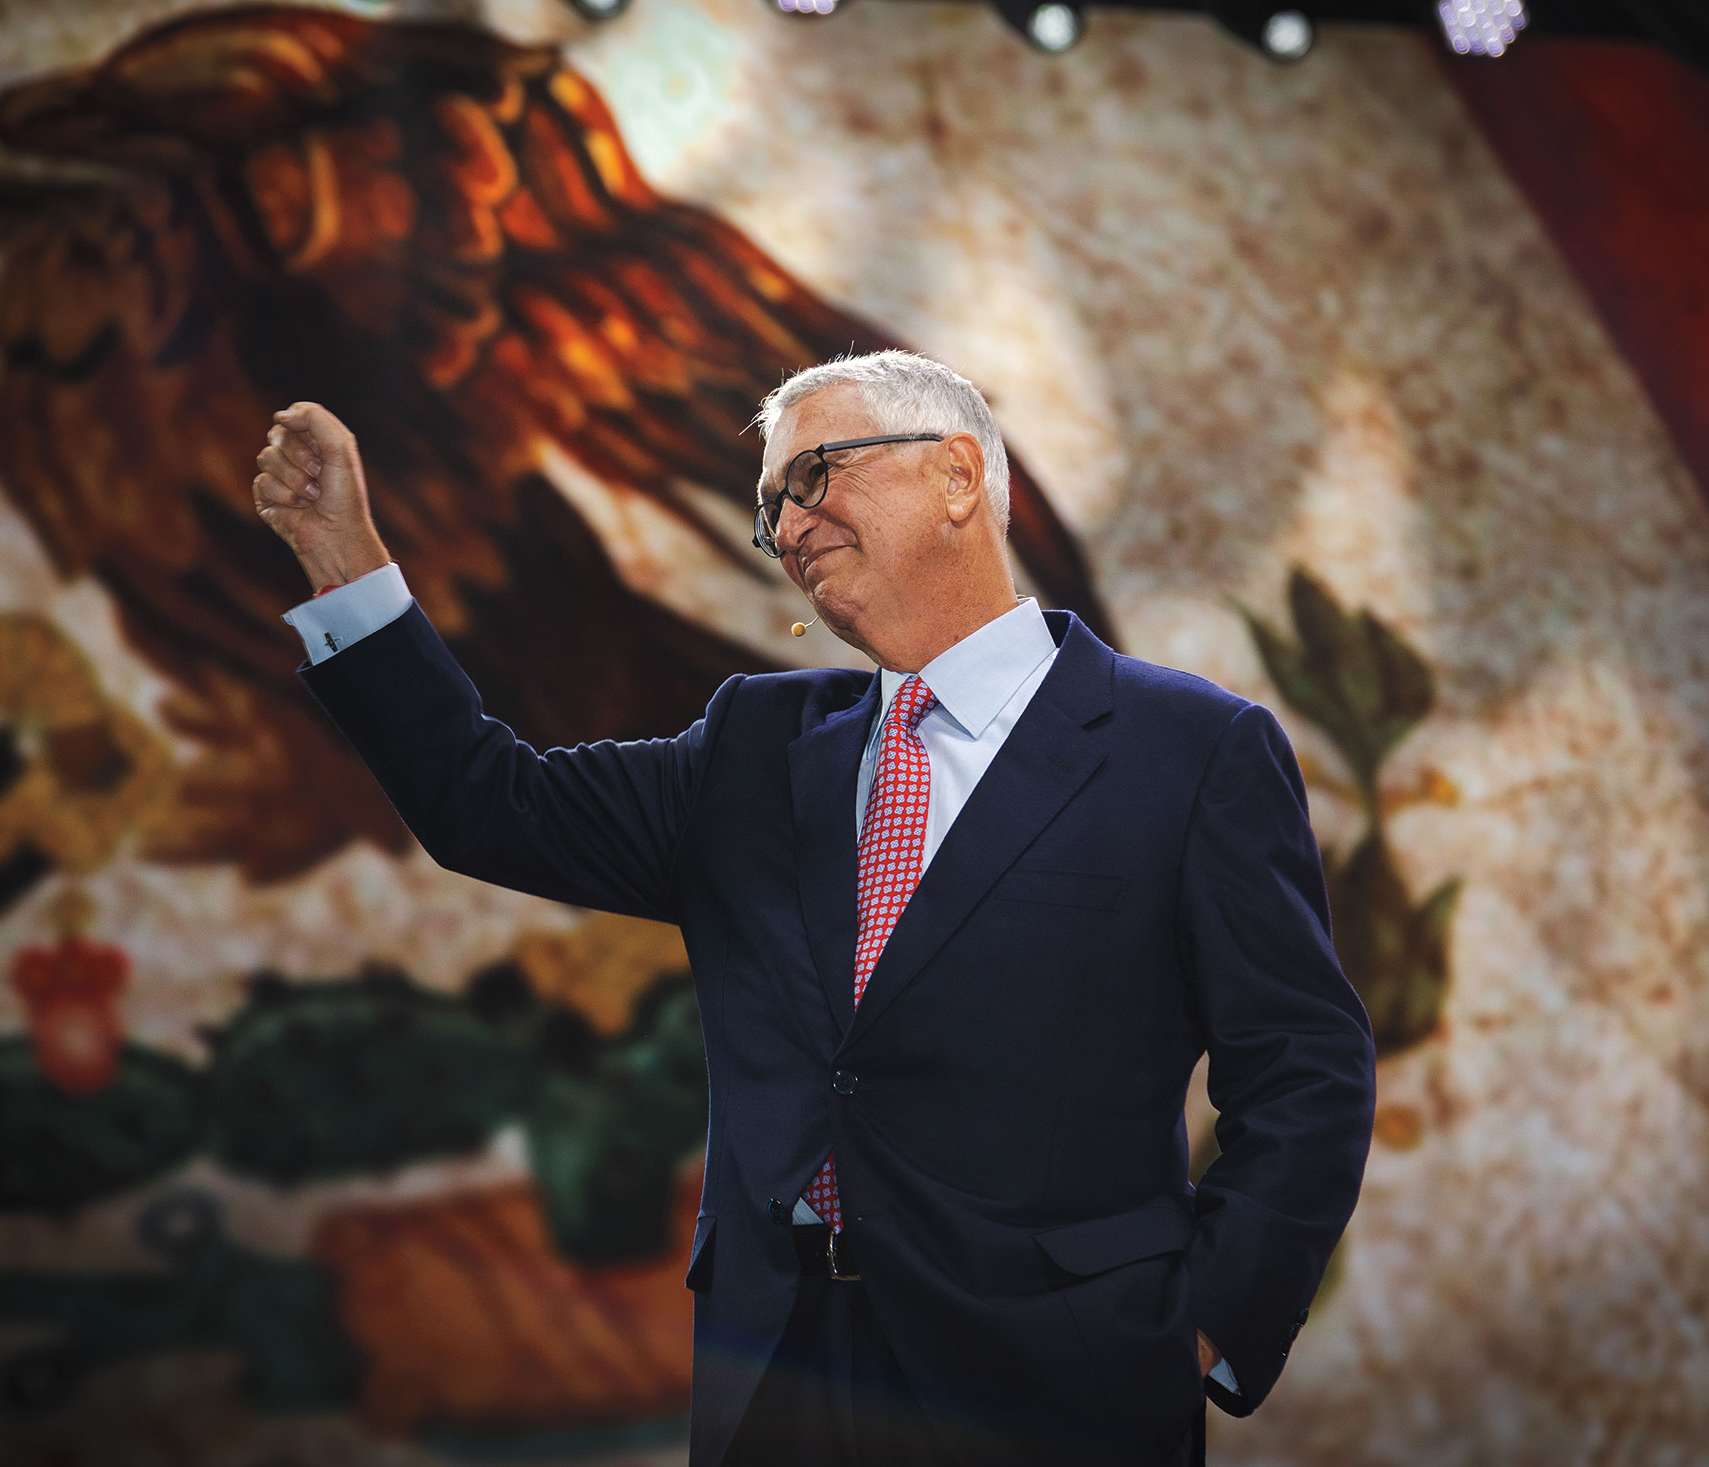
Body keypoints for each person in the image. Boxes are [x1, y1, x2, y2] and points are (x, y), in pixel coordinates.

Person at [251, 350, 1375, 1466]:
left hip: (1059, 1390)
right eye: (770, 507)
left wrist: (1203, 1330)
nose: (787, 527)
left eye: (814, 475)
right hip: (775, 1378)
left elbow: (1305, 1068)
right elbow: (486, 802)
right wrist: (345, 563)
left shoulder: (1188, 749)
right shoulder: (752, 745)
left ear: (955, 475)